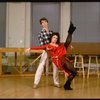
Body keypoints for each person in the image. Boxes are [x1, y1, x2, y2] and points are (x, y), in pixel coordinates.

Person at [26, 22, 77, 90]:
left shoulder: (59, 44)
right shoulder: (48, 45)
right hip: (58, 60)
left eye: (56, 38)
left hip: (63, 57)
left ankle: (67, 85)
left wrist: (69, 45)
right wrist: (30, 48)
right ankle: (70, 31)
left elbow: (64, 45)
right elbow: (39, 47)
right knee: (72, 72)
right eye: (54, 37)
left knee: (74, 73)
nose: (55, 39)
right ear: (51, 38)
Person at [32, 17, 60, 89]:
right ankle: (36, 83)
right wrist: (47, 49)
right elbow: (41, 45)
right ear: (41, 24)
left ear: (47, 22)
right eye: (42, 23)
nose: (44, 23)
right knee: (41, 65)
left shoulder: (51, 32)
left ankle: (56, 82)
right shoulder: (40, 33)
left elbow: (55, 41)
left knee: (55, 66)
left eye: (45, 22)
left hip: (53, 51)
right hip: (46, 50)